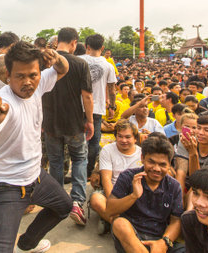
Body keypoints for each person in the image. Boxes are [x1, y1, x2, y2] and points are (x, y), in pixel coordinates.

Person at [0, 41, 71, 252]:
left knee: (64, 207)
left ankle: (26, 244)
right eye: (20, 76)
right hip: (4, 184)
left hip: (35, 176)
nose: (27, 82)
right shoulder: (4, 104)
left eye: (33, 75)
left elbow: (63, 68)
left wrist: (55, 57)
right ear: (8, 76)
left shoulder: (39, 84)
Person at [42, 27, 94, 226]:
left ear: (57, 42)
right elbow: (87, 96)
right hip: (74, 122)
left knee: (55, 161)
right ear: (74, 42)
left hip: (50, 122)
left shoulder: (46, 64)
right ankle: (77, 202)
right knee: (79, 159)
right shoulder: (80, 63)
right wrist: (89, 120)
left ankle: (57, 201)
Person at [107, 136, 185, 253]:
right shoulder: (127, 177)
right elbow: (110, 210)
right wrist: (133, 196)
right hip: (132, 236)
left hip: (159, 238)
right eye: (151, 162)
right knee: (119, 224)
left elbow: (176, 220)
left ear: (169, 164)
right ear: (142, 158)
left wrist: (164, 242)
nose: (156, 169)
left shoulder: (174, 186)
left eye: (162, 164)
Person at [89, 120, 142, 234]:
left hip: (133, 193)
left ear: (135, 139)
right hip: (112, 191)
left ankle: (109, 220)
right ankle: (121, 225)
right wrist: (113, 203)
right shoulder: (108, 150)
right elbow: (107, 179)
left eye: (128, 137)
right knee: (96, 200)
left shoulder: (141, 154)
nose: (123, 140)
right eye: (120, 136)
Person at [79, 34, 117, 178]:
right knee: (94, 142)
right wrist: (111, 107)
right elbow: (112, 90)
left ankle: (79, 170)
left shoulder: (79, 60)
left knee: (78, 140)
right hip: (97, 108)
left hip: (79, 106)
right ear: (102, 47)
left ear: (87, 47)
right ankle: (88, 172)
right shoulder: (108, 65)